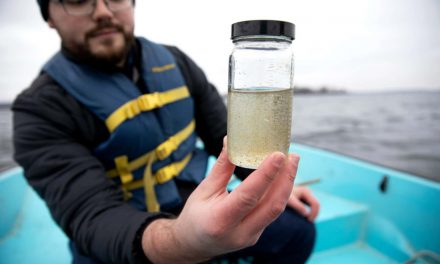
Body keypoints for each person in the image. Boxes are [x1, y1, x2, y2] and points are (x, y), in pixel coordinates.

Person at [12, 0, 320, 263]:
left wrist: (263, 185)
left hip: (188, 198)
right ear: (49, 17)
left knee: (298, 232)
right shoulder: (38, 110)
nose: (103, 11)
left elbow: (223, 134)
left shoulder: (177, 62)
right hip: (125, 230)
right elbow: (90, 214)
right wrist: (179, 242)